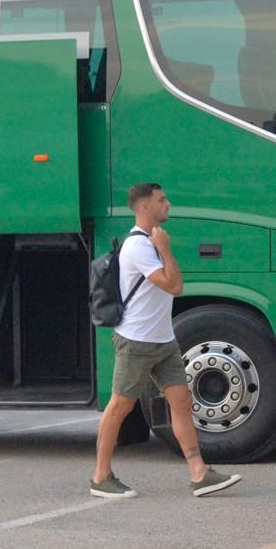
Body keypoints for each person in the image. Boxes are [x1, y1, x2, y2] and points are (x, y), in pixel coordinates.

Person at [91, 183, 242, 498]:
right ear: (145, 206)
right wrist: (165, 249)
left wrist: (162, 247)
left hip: (163, 340)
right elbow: (174, 286)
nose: (168, 204)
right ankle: (101, 476)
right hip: (136, 341)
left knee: (182, 402)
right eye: (162, 200)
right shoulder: (139, 247)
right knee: (121, 405)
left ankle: (199, 473)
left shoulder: (150, 243)